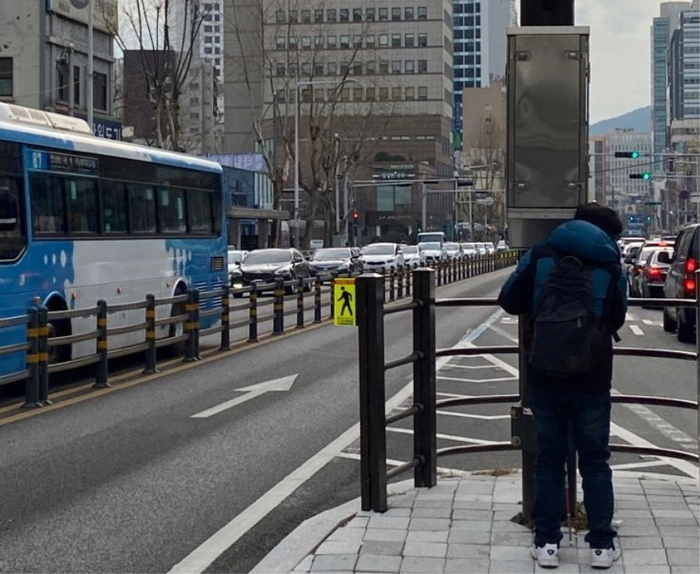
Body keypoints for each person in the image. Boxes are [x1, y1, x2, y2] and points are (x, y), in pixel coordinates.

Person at [498, 203, 627, 570]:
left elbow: (508, 299)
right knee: (596, 462)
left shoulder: (541, 254)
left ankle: (547, 543)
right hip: (593, 374)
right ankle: (601, 546)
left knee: (549, 459)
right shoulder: (610, 264)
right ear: (606, 234)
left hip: (545, 371)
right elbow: (618, 314)